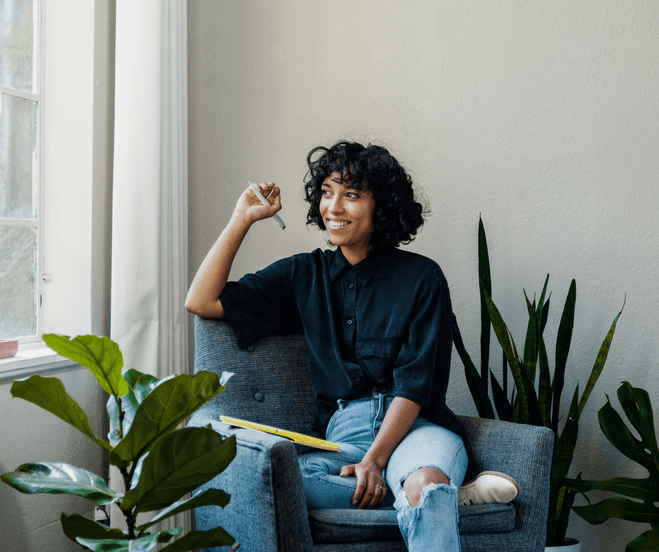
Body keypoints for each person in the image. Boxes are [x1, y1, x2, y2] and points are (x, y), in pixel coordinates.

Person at [186, 141, 499, 550]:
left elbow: (415, 384)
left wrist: (375, 460)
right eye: (328, 193)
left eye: (351, 195)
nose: (334, 207)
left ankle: (421, 489)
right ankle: (431, 498)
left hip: (415, 430)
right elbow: (201, 300)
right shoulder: (303, 275)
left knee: (423, 481)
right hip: (342, 439)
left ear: (381, 206)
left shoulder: (423, 278)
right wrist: (241, 219)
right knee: (274, 480)